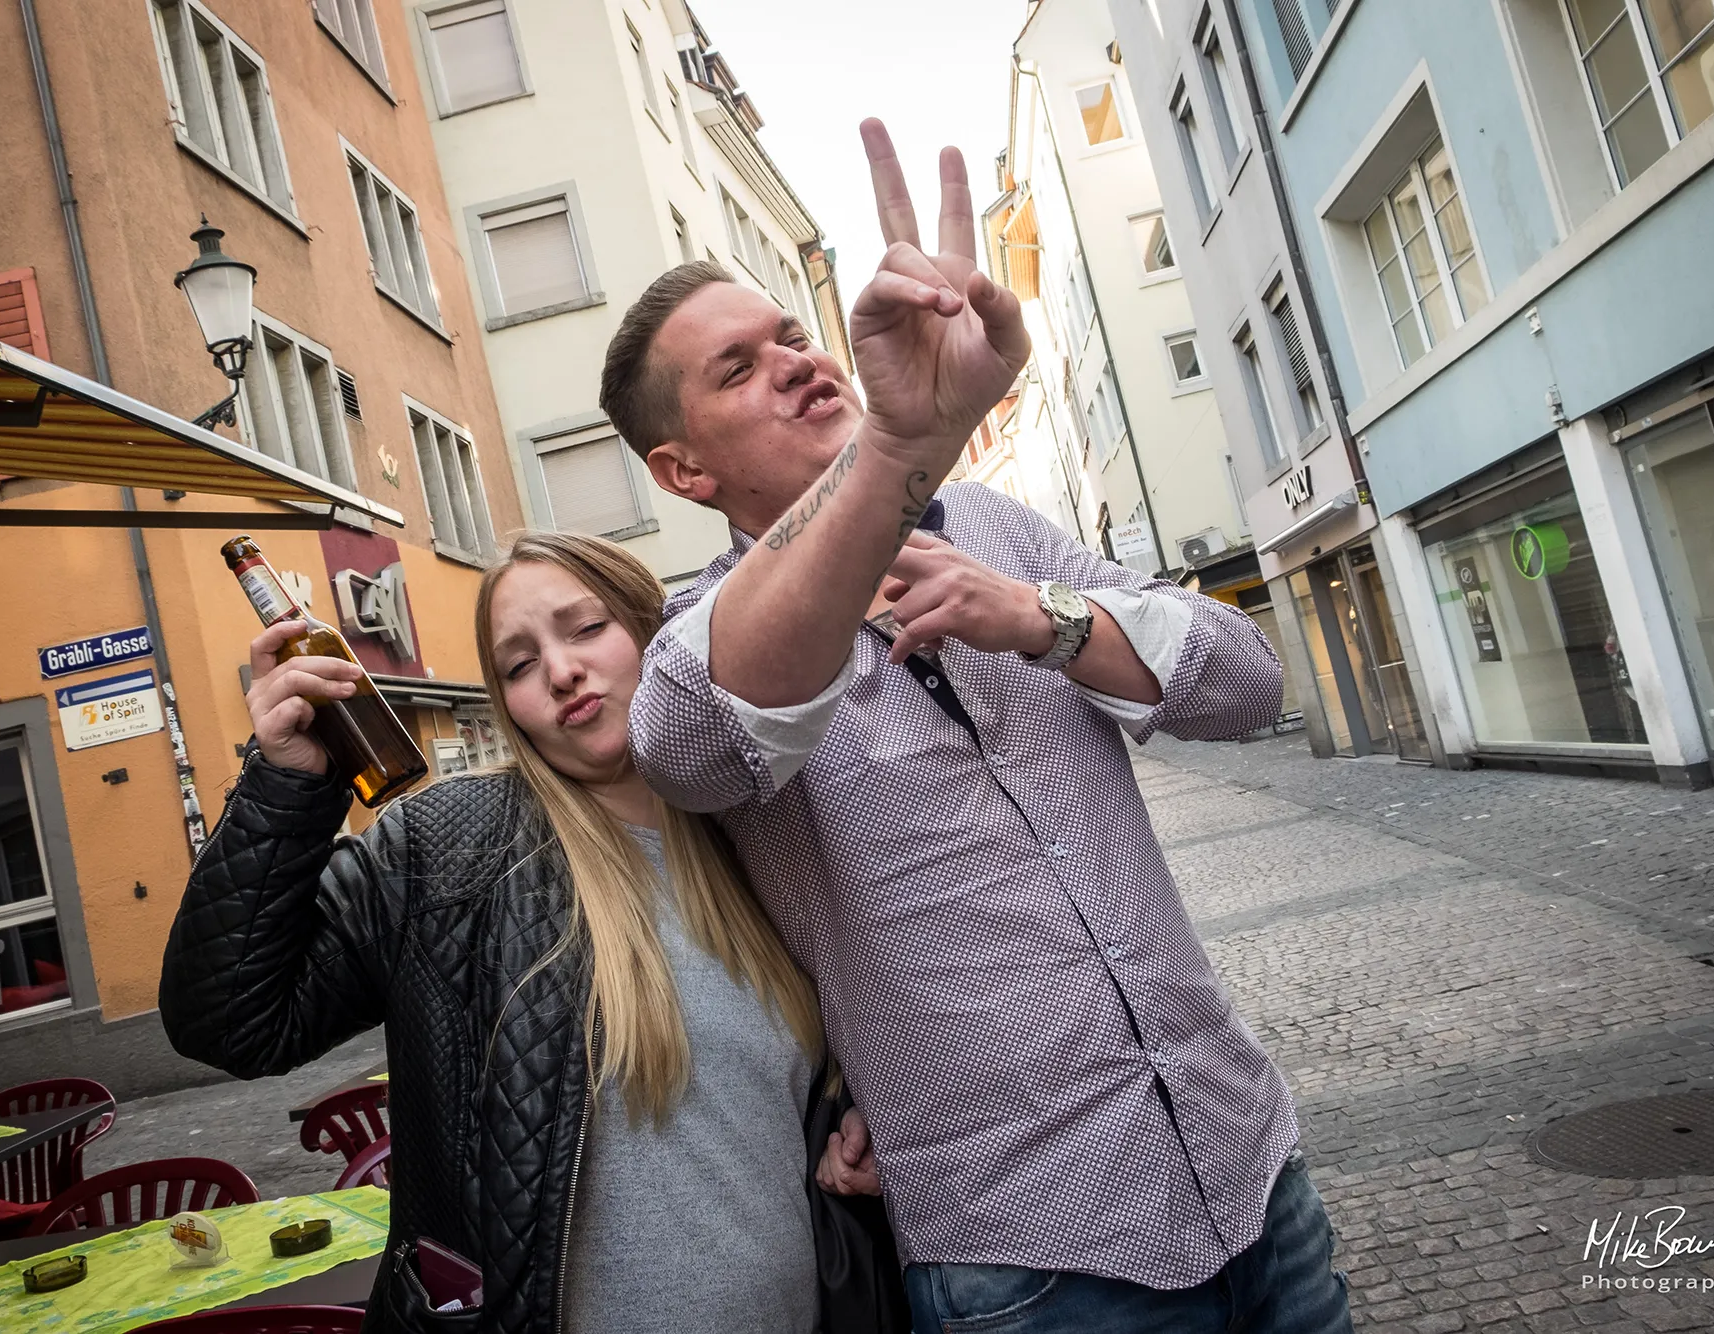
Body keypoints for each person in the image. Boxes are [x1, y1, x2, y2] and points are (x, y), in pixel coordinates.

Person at [606, 120, 1355, 1333]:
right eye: (736, 369)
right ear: (683, 470)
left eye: (791, 332)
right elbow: (687, 747)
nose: (796, 361)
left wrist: (1042, 617)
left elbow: (1250, 683)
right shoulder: (704, 633)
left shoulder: (1001, 530)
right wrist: (899, 446)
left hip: (1249, 1168)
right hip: (1031, 1259)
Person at [160, 531, 907, 1334]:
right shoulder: (449, 849)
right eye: (518, 664)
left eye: (586, 629)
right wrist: (288, 784)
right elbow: (232, 1021)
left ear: (658, 631)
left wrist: (848, 1120)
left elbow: (778, 1082)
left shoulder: (762, 830)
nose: (559, 672)